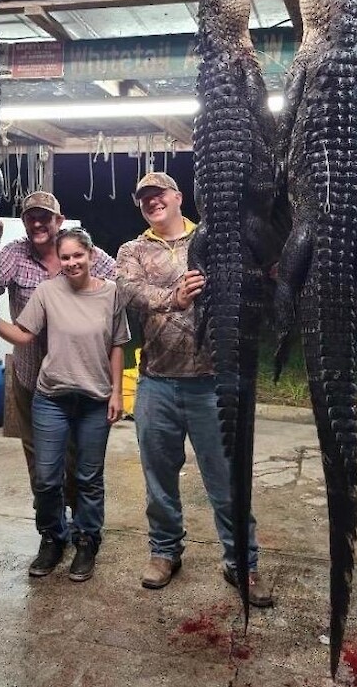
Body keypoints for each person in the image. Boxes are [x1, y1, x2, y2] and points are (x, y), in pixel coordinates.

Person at [115, 172, 272, 605]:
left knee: (226, 479)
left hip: (213, 383)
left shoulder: (214, 238)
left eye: (159, 194)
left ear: (179, 197)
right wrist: (175, 297)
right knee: (159, 478)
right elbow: (128, 290)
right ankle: (165, 551)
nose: (152, 202)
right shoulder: (133, 249)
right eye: (144, 198)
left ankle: (242, 561)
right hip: (157, 381)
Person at [0, 227, 129, 582]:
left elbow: (118, 345)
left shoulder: (111, 293)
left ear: (91, 255)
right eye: (65, 257)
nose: (71, 262)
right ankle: (53, 538)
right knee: (46, 477)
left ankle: (86, 540)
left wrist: (117, 392)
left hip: (94, 401)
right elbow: (24, 335)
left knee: (88, 477)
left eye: (78, 255)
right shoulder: (47, 291)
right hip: (51, 399)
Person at [0, 191, 115, 509]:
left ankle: (80, 519)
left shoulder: (79, 252)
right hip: (31, 373)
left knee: (79, 456)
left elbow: (122, 287)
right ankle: (50, 522)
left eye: (45, 217)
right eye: (31, 218)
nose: (38, 223)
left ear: (59, 220)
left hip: (79, 376)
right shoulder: (15, 252)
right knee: (40, 458)